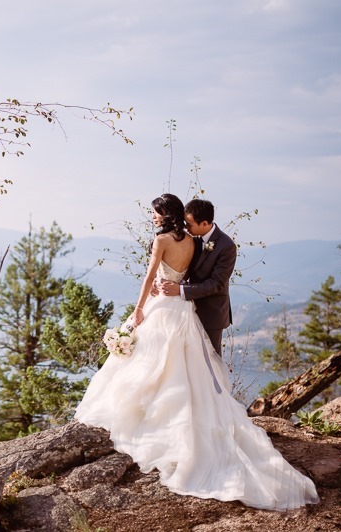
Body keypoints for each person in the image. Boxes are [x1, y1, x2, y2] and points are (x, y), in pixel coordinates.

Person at [74, 193, 318, 511]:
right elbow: (183, 270)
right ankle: (193, 417)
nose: (153, 218)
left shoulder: (209, 244)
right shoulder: (192, 240)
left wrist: (139, 309)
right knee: (187, 368)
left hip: (184, 307)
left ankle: (186, 422)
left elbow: (170, 279)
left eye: (155, 213)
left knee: (175, 366)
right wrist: (178, 289)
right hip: (182, 310)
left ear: (177, 218)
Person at [158, 198, 236, 357]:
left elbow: (216, 284)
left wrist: (180, 290)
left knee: (211, 361)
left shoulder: (226, 246)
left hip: (210, 314)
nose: (185, 227)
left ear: (205, 223)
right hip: (184, 310)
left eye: (189, 224)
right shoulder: (190, 239)